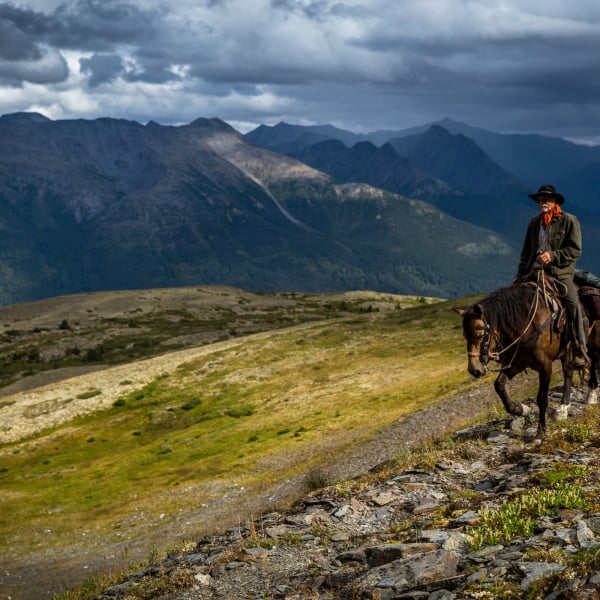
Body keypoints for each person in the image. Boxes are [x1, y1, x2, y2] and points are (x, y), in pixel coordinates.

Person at [516, 184, 590, 368]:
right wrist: (519, 275)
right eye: (539, 200)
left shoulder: (569, 220)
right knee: (512, 303)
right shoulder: (534, 223)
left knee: (573, 304)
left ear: (555, 201)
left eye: (545, 200)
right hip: (533, 271)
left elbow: (575, 250)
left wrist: (553, 256)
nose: (542, 203)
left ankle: (580, 348)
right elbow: (526, 252)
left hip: (560, 273)